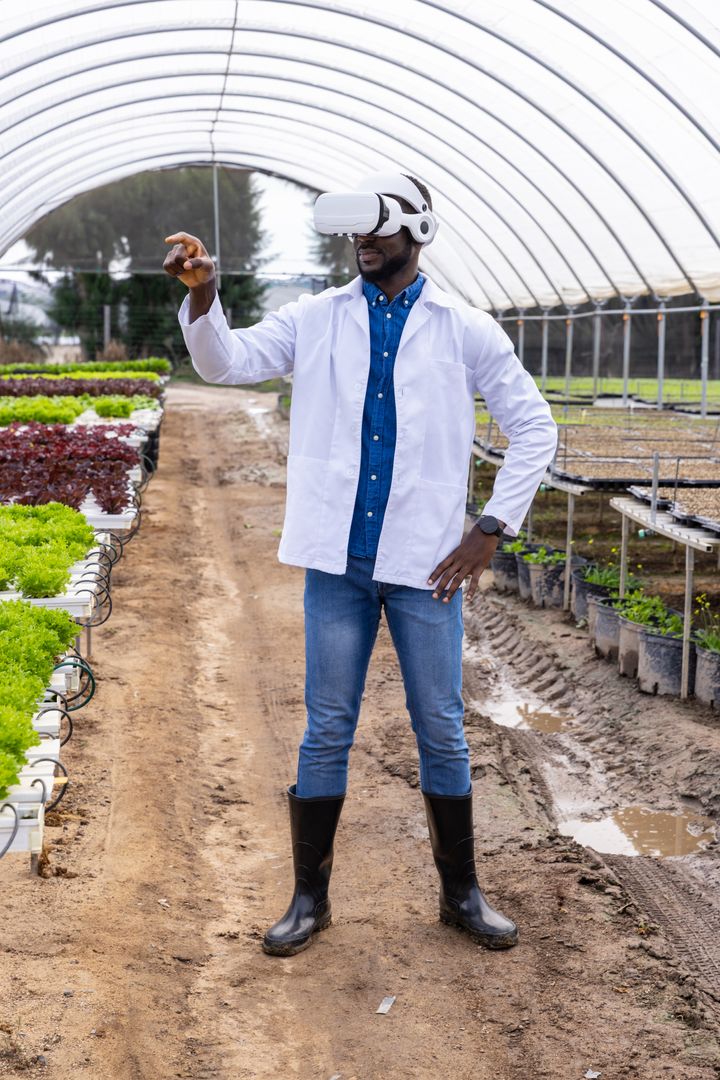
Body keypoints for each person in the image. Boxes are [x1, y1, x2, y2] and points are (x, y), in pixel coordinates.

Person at [164, 172, 557, 958]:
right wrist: (205, 294)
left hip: (426, 566)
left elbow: (535, 427)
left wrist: (490, 528)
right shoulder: (317, 317)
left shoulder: (465, 329)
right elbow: (225, 363)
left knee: (441, 726)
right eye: (356, 233)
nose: (363, 244)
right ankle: (309, 899)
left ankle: (461, 894)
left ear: (418, 232)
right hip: (338, 563)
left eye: (378, 231)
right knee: (327, 727)